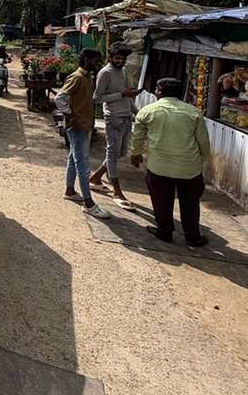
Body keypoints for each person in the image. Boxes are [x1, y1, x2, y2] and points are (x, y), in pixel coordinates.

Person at [130, 77, 211, 247]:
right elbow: (203, 142)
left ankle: (164, 231)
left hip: (159, 166)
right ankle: (193, 236)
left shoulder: (147, 111)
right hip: (189, 168)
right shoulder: (193, 112)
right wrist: (204, 161)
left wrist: (135, 154)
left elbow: (138, 137)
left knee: (161, 199)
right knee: (190, 202)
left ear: (159, 93)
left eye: (157, 90)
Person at [55, 48, 110, 219]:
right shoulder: (77, 77)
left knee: (73, 158)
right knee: (83, 164)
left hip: (83, 125)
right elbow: (60, 98)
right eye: (95, 60)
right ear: (86, 59)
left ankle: (70, 190)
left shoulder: (87, 77)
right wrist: (70, 114)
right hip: (78, 126)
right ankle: (88, 203)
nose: (97, 64)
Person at [88, 43, 142, 210]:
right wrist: (121, 94)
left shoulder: (124, 71)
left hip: (126, 117)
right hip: (113, 119)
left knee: (120, 153)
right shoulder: (104, 73)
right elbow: (97, 98)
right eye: (117, 58)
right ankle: (117, 192)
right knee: (112, 154)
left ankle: (96, 178)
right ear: (110, 58)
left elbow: (128, 97)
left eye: (123, 59)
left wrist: (138, 113)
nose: (121, 61)